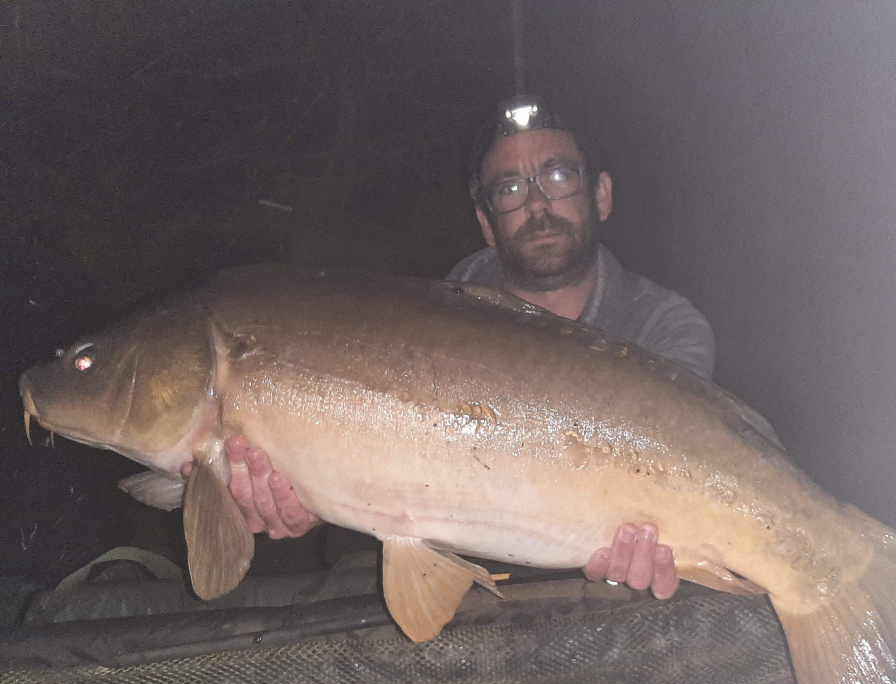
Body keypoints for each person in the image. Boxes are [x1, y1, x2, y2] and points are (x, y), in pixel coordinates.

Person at [205, 96, 717, 601]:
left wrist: (649, 559)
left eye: (559, 176)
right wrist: (311, 498)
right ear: (487, 223)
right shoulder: (415, 332)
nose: (537, 204)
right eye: (510, 188)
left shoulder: (665, 328)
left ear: (601, 195)